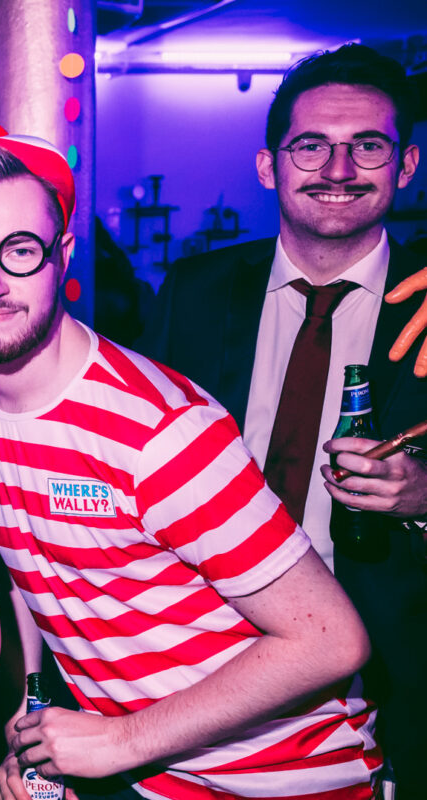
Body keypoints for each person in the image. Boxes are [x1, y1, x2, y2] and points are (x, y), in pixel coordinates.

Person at [0, 127, 376, 799]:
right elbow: (29, 575)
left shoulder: (160, 430)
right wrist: (34, 721)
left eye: (19, 251)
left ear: (61, 257)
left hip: (285, 778)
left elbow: (331, 641)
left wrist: (120, 741)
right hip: (144, 772)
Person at [137, 44, 426, 794]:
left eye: (368, 146)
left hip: (390, 674)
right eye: (311, 146)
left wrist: (424, 495)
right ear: (269, 166)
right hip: (201, 653)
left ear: (406, 165)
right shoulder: (194, 292)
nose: (339, 169)